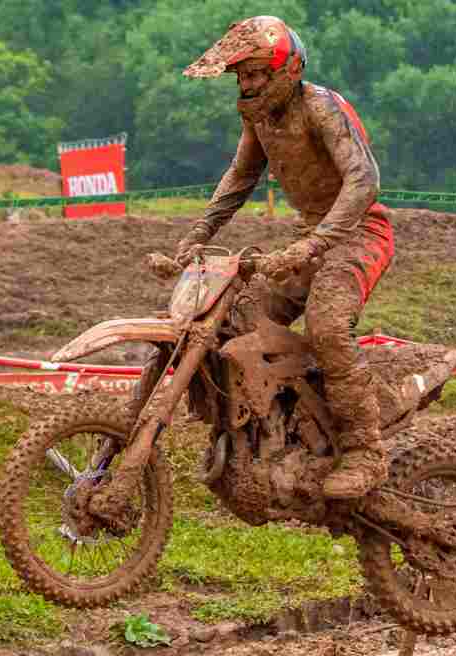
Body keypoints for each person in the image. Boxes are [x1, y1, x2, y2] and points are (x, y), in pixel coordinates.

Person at [179, 16, 395, 499]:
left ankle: (365, 451)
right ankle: (270, 437)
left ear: (289, 70)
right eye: (243, 76)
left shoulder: (320, 108)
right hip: (309, 239)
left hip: (359, 234)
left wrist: (314, 244)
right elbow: (240, 177)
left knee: (326, 326)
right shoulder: (259, 120)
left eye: (258, 74)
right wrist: (197, 234)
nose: (250, 85)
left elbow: (364, 181)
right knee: (238, 317)